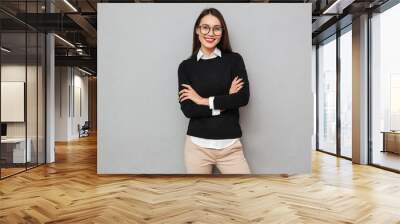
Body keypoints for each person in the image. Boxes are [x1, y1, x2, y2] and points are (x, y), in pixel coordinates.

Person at [178, 8, 251, 174]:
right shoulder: (186, 67)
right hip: (197, 148)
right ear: (197, 30)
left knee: (245, 195)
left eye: (217, 28)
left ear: (222, 32)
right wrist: (226, 101)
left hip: (230, 147)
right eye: (205, 27)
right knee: (200, 199)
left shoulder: (234, 60)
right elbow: (189, 110)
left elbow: (242, 98)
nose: (210, 33)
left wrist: (202, 100)